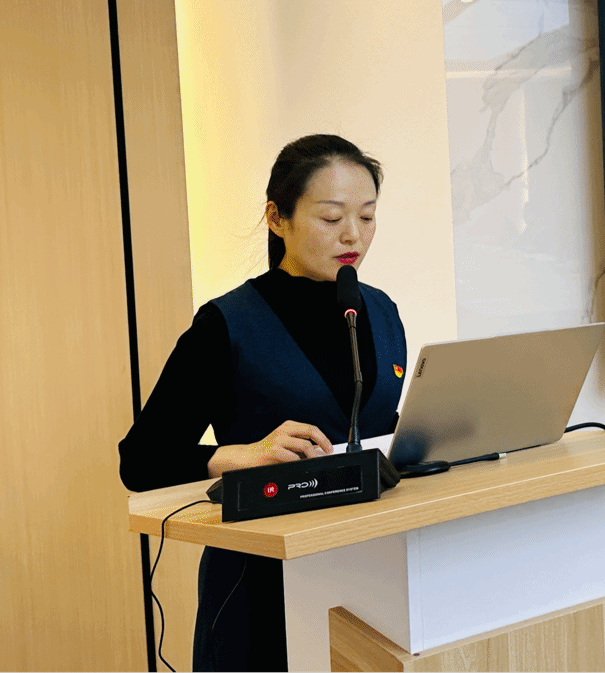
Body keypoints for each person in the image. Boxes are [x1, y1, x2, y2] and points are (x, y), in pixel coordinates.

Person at [119, 134, 406, 672]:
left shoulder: (380, 311)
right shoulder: (226, 325)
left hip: (374, 577)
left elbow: (378, 431)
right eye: (332, 217)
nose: (353, 235)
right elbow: (139, 461)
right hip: (258, 592)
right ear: (277, 218)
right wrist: (238, 455)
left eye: (367, 216)